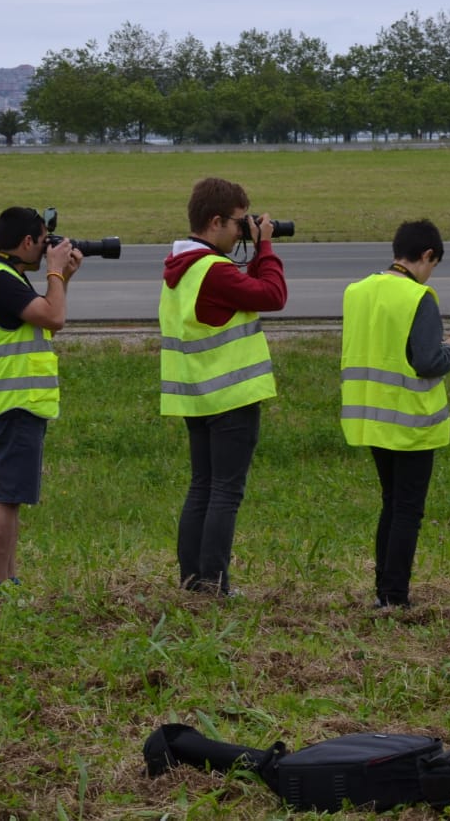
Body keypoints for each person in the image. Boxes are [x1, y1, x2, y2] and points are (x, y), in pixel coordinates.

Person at [341, 219, 450, 610]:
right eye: (433, 265)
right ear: (427, 256)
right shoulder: (418, 296)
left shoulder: (357, 291)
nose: (430, 274)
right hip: (410, 421)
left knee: (391, 503)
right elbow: (427, 361)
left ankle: (383, 591)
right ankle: (395, 597)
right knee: (408, 509)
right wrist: (448, 350)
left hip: (370, 417)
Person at [160, 177, 288, 596]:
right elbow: (272, 294)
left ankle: (193, 580)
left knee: (202, 487)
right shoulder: (213, 270)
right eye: (238, 224)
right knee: (225, 492)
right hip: (231, 396)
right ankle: (214, 583)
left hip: (198, 395)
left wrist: (252, 251)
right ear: (215, 222)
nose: (242, 232)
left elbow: (238, 294)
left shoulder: (183, 267)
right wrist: (266, 247)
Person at [0, 206, 81, 598]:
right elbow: (54, 318)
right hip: (11, 403)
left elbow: (46, 312)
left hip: (16, 402)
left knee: (12, 496)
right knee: (5, 496)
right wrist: (55, 272)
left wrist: (62, 276)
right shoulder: (1, 280)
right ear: (27, 242)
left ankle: (7, 580)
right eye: (44, 242)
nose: (47, 248)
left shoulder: (5, 276)